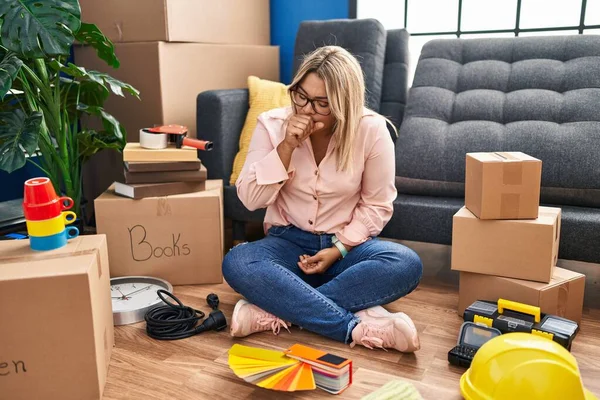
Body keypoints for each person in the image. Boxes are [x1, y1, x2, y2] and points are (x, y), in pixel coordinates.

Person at [222, 45, 423, 353]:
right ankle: (353, 327)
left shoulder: (371, 130)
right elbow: (250, 199)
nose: (305, 109)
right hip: (287, 242)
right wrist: (286, 146)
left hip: (346, 247)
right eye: (301, 96)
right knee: (238, 262)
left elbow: (377, 204)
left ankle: (274, 309)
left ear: (344, 104)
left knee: (405, 263)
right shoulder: (272, 124)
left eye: (320, 104)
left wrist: (339, 248)